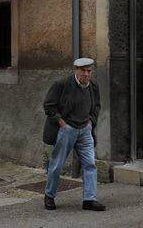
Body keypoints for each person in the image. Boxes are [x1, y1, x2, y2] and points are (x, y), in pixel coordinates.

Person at [43, 58, 105, 211]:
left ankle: (89, 199)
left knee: (90, 164)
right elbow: (48, 105)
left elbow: (96, 106)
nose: (86, 74)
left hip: (85, 129)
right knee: (57, 164)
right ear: (75, 70)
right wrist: (61, 122)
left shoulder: (93, 86)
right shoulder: (61, 84)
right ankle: (49, 196)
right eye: (83, 71)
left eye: (89, 71)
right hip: (67, 129)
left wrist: (91, 121)